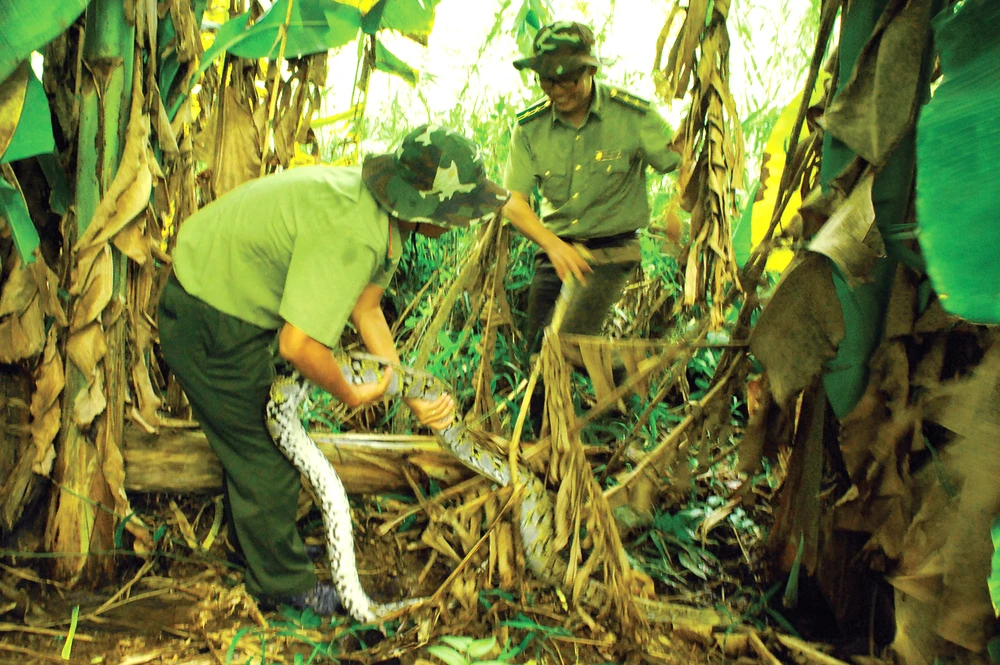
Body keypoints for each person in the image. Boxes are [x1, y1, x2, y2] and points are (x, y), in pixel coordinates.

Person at [157, 124, 509, 615]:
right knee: (266, 455)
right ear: (425, 207)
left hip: (231, 301)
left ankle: (257, 549)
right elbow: (297, 344)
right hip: (206, 311)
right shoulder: (355, 234)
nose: (459, 223)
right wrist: (348, 392)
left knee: (252, 440)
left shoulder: (381, 219)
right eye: (455, 213)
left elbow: (366, 309)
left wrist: (404, 388)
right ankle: (281, 588)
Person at [502, 21, 682, 353]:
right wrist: (554, 247)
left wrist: (676, 207)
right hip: (556, 247)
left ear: (591, 71)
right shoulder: (529, 129)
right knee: (538, 352)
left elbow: (686, 165)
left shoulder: (632, 115)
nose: (558, 90)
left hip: (614, 252)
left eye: (569, 79)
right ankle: (572, 395)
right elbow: (514, 203)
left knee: (569, 346)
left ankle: (615, 390)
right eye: (548, 80)